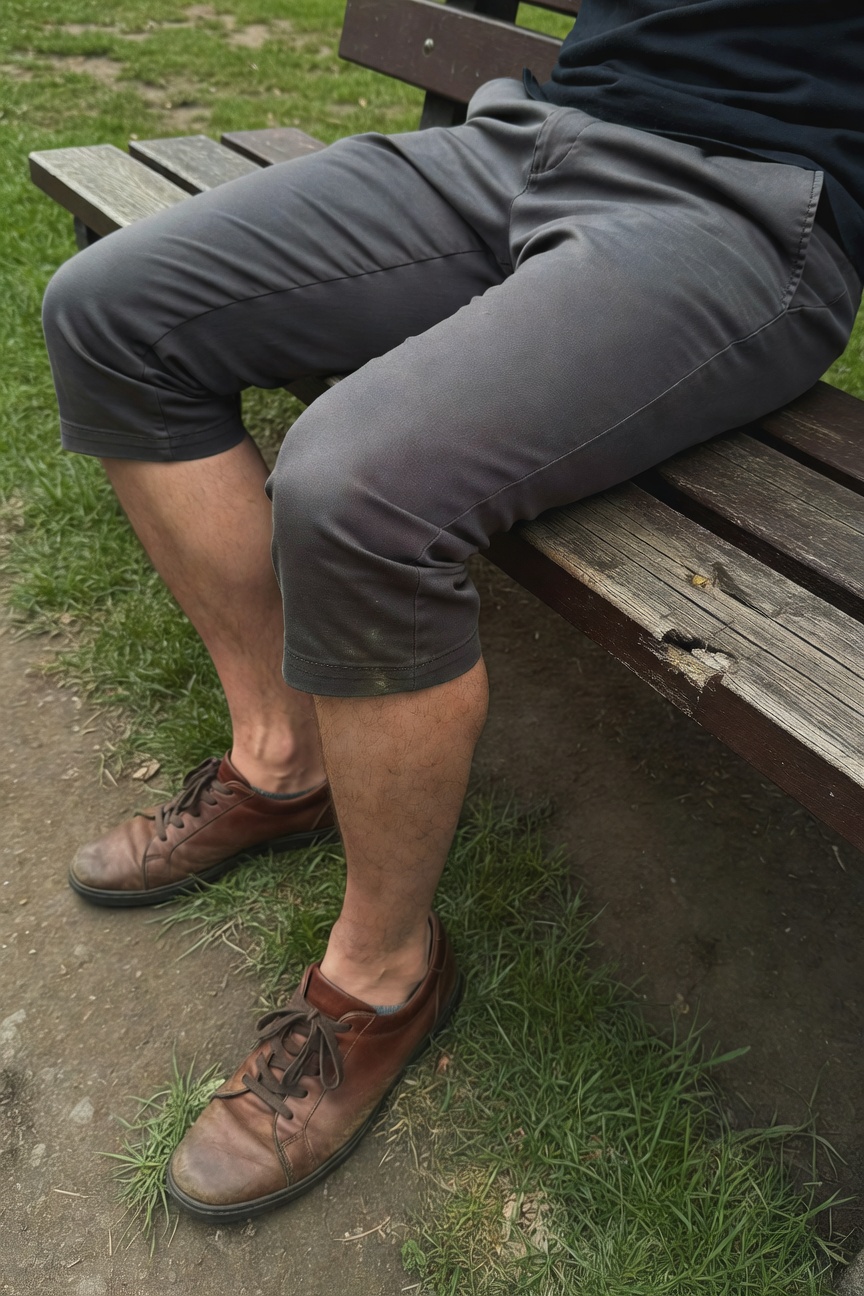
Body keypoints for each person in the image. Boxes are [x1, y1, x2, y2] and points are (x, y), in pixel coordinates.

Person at [41, 0, 862, 1223]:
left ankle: (385, 975)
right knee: (109, 313)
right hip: (534, 132)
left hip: (745, 204)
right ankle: (283, 761)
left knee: (354, 492)